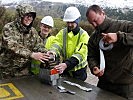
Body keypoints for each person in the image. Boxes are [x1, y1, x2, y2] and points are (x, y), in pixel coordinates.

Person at [86, 4, 133, 99]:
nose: (94, 25)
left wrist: (119, 37)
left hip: (125, 85)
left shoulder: (123, 26)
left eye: (95, 20)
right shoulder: (93, 38)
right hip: (104, 83)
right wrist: (94, 67)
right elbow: (91, 56)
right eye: (91, 23)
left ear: (102, 13)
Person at [0, 4, 49, 79]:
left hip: (24, 72)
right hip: (7, 71)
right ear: (20, 15)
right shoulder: (9, 28)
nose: (29, 18)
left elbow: (38, 45)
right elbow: (12, 46)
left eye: (31, 16)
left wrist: (46, 52)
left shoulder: (32, 31)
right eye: (27, 15)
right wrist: (31, 54)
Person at [49, 6, 89, 81]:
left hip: (79, 72)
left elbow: (80, 54)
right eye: (68, 22)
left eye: (72, 22)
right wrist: (53, 52)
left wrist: (66, 64)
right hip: (66, 70)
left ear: (77, 20)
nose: (70, 24)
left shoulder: (84, 35)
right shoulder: (62, 32)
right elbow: (57, 44)